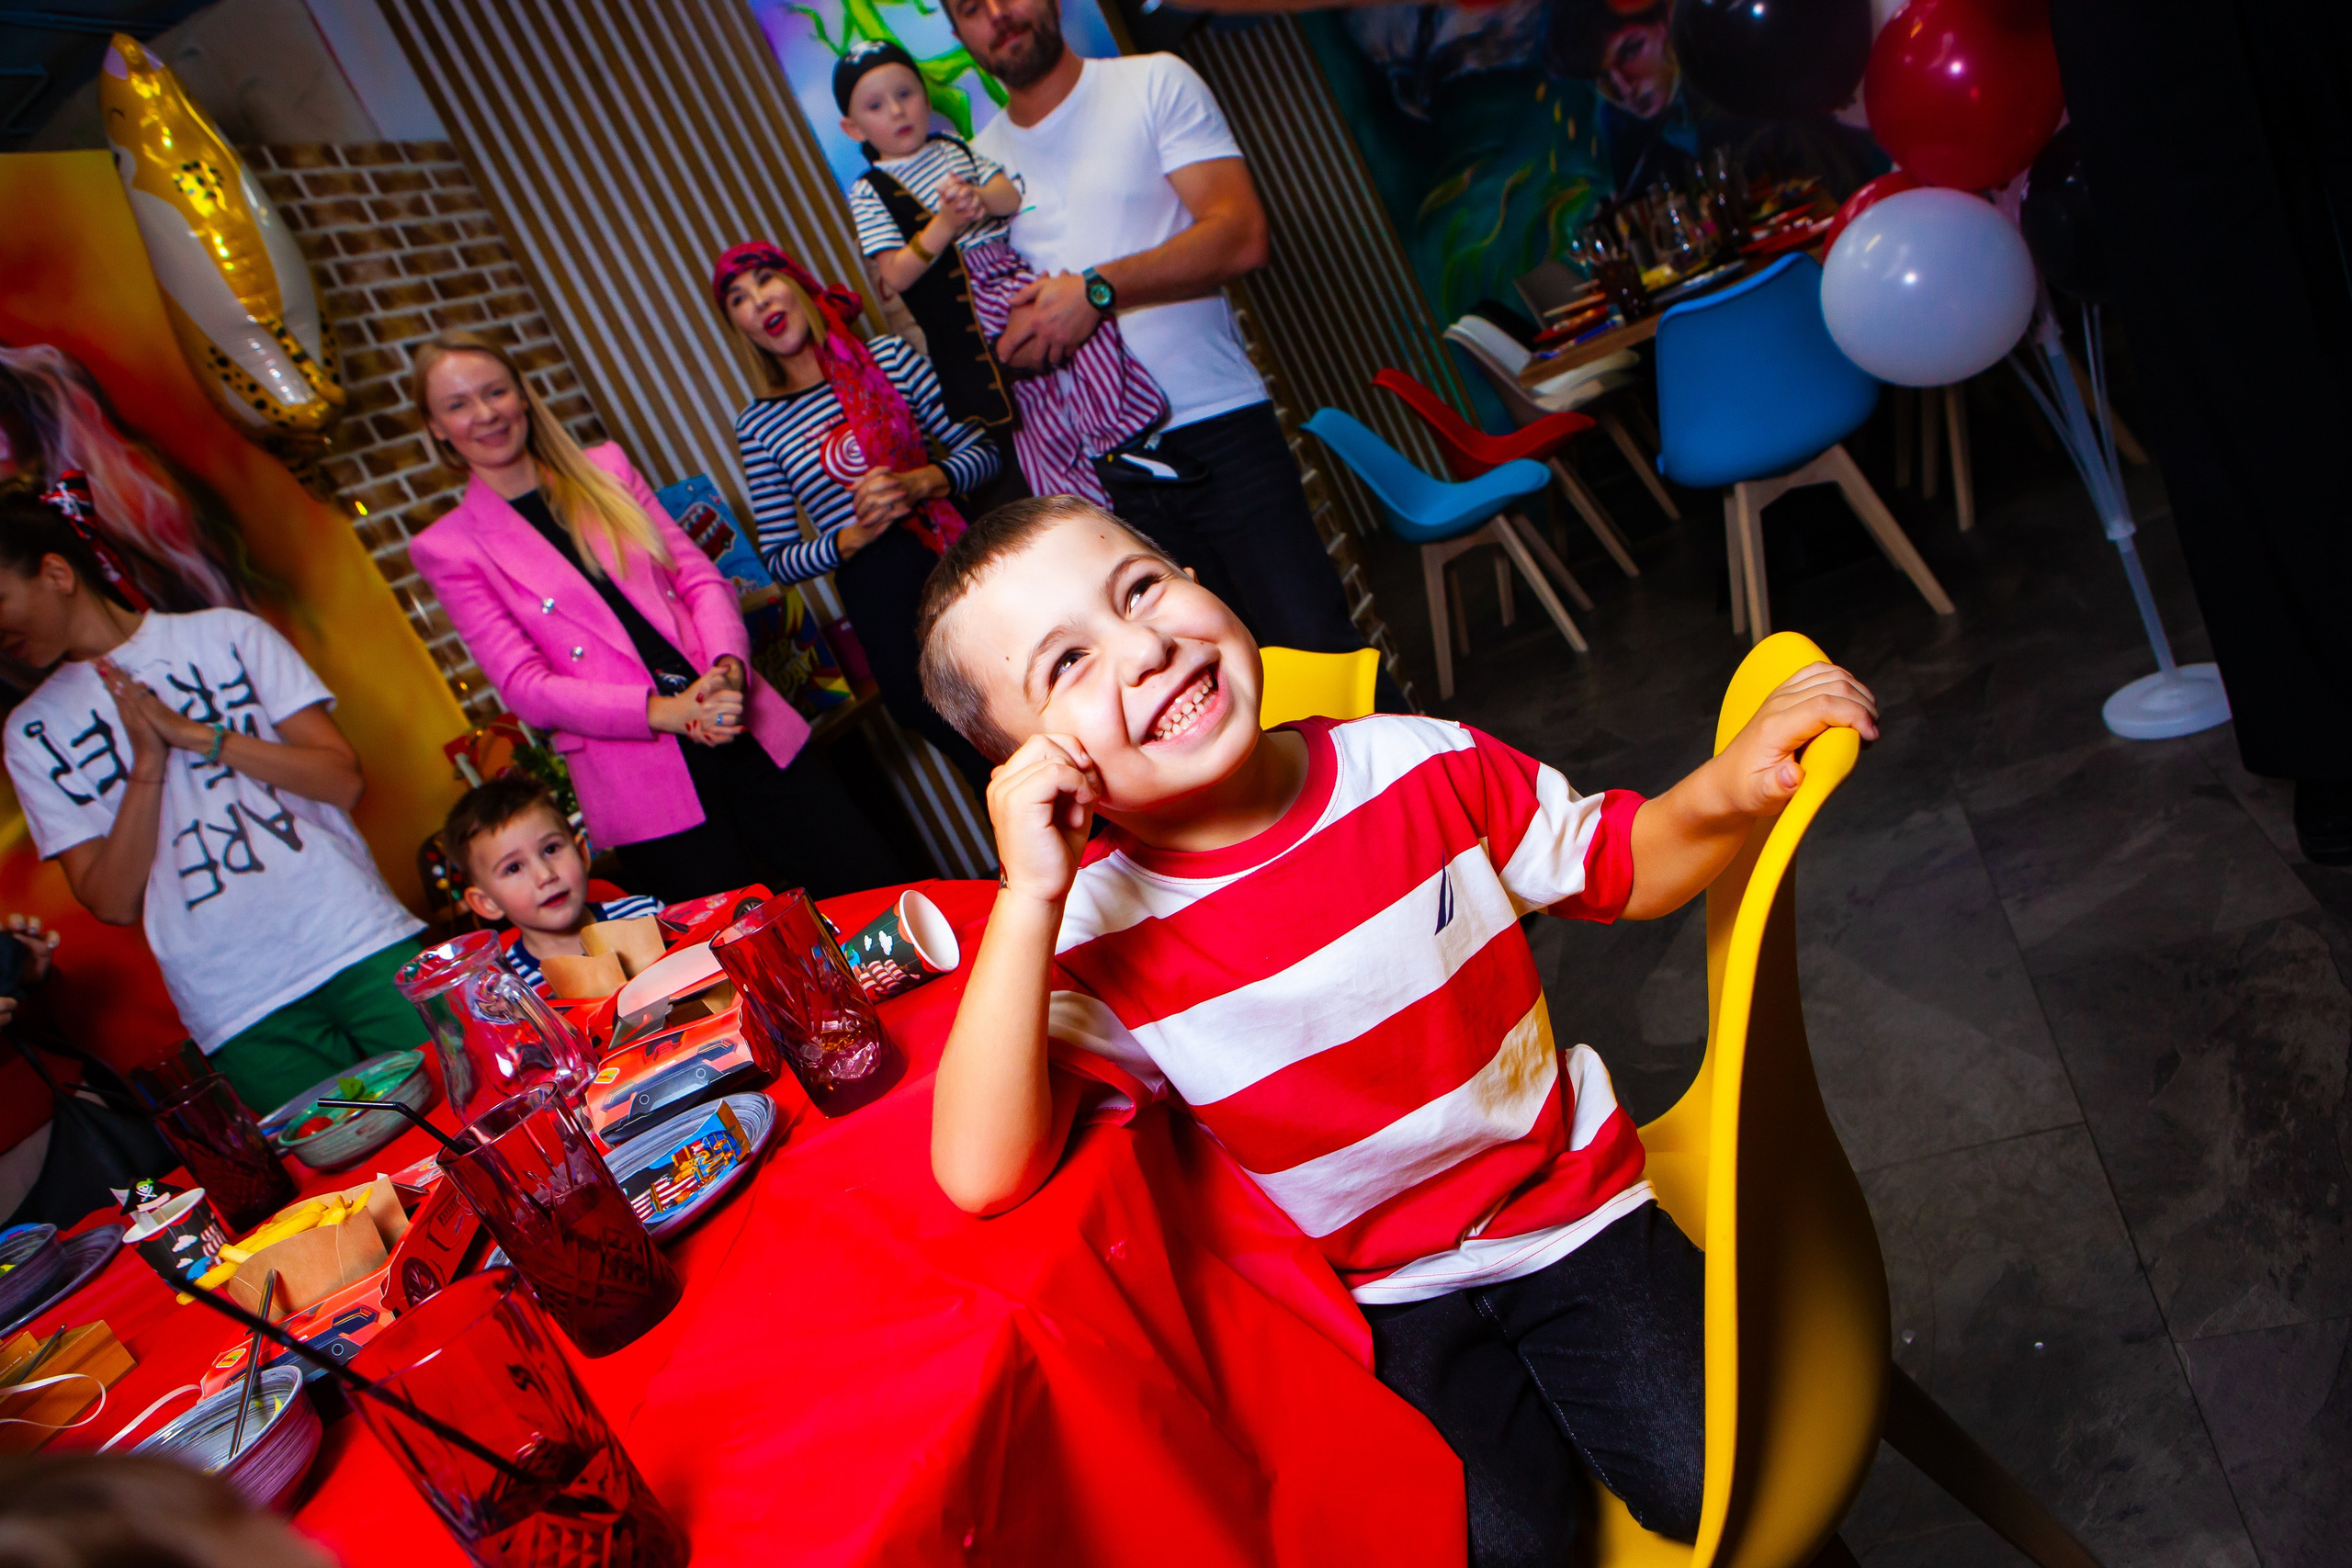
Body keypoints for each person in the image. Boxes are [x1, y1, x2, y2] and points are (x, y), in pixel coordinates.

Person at [910, 497, 1882, 1563]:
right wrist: (1028, 896)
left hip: (1563, 1206)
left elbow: (1620, 864)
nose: (1143, 648)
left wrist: (1720, 788)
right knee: (1492, 1551)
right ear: (1031, 770)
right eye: (1068, 663)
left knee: (1718, 1465)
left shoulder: (1417, 763)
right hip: (1376, 1297)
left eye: (1141, 588)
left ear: (1194, 576)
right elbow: (981, 1171)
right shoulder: (1096, 931)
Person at [407, 331, 903, 904]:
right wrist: (666, 712)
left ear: (522, 393)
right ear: (436, 426)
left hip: (737, 715)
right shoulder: (449, 547)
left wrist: (727, 669)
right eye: (459, 404)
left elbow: (699, 577)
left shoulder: (607, 468)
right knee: (734, 950)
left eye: (495, 392)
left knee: (872, 893)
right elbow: (526, 687)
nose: (485, 414)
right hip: (643, 782)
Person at [944, 0, 1369, 660]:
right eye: (972, 8)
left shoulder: (1151, 82)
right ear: (956, 32)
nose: (998, 14)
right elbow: (986, 325)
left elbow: (1242, 234)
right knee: (1193, 679)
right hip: (1100, 473)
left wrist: (1096, 290)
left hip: (1218, 424)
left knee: (1317, 650)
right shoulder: (977, 172)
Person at [0, 489, 425, 1114]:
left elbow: (342, 780)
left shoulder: (225, 634)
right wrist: (148, 763)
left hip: (357, 936)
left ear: (57, 573)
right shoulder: (32, 733)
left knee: (476, 1106)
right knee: (345, 1167)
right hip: (237, 1002)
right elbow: (111, 900)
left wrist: (198, 736)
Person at [715, 243, 999, 793]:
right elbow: (778, 558)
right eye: (739, 299)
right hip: (878, 591)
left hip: (957, 557)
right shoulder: (758, 425)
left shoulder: (888, 358)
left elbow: (984, 452)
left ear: (798, 284)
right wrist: (850, 537)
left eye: (766, 280)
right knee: (967, 752)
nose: (759, 301)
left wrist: (923, 481)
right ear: (740, 328)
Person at [837, 39, 1166, 509]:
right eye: (875, 105)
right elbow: (897, 274)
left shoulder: (951, 148)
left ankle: (1121, 441)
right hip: (969, 303)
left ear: (926, 97)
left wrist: (980, 198)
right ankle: (1074, 501)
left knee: (1086, 322)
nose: (896, 110)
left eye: (905, 93)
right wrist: (945, 223)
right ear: (853, 128)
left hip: (1008, 271)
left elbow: (1008, 196)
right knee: (1030, 398)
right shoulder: (870, 191)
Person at [439, 774, 662, 995]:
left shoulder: (648, 915)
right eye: (514, 868)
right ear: (486, 902)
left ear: (582, 854)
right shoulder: (508, 991)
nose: (545, 875)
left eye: (551, 849)